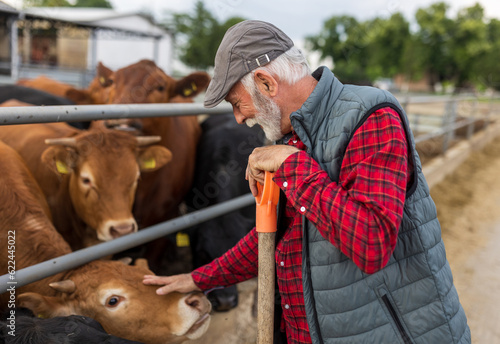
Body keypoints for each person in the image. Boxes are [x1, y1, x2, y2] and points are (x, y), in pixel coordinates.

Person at [143, 20, 470, 344]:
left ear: (266, 83)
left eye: (235, 102)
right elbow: (273, 238)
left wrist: (291, 165)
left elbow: (372, 242)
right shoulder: (291, 136)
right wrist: (199, 279)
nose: (239, 118)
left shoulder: (370, 115)